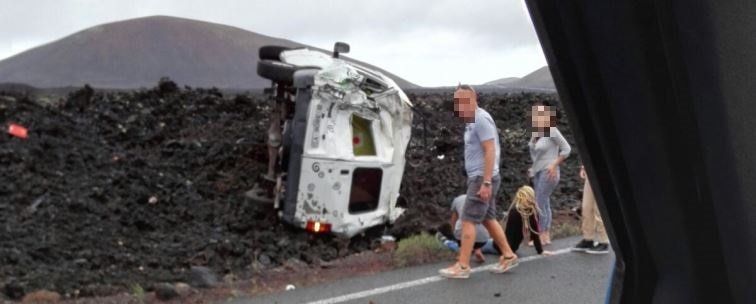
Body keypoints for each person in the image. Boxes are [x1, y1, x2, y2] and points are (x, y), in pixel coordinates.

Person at [439, 85, 518, 279]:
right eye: (458, 101)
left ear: (475, 98)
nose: (461, 104)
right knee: (488, 218)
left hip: (482, 178)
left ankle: (463, 266)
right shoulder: (471, 121)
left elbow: (490, 150)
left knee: (467, 220)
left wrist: (486, 182)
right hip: (482, 177)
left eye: (465, 100)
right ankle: (508, 255)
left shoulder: (480, 119)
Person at [528, 101, 571, 245]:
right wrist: (533, 168)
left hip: (549, 172)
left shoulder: (551, 130)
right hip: (538, 173)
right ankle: (545, 235)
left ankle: (541, 234)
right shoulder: (536, 131)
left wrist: (553, 164)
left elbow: (567, 149)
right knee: (544, 203)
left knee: (539, 203)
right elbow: (535, 154)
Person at [572, 165, 610, 254]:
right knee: (586, 207)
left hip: (602, 171)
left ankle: (603, 241)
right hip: (591, 171)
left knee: (599, 208)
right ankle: (588, 239)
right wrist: (583, 166)